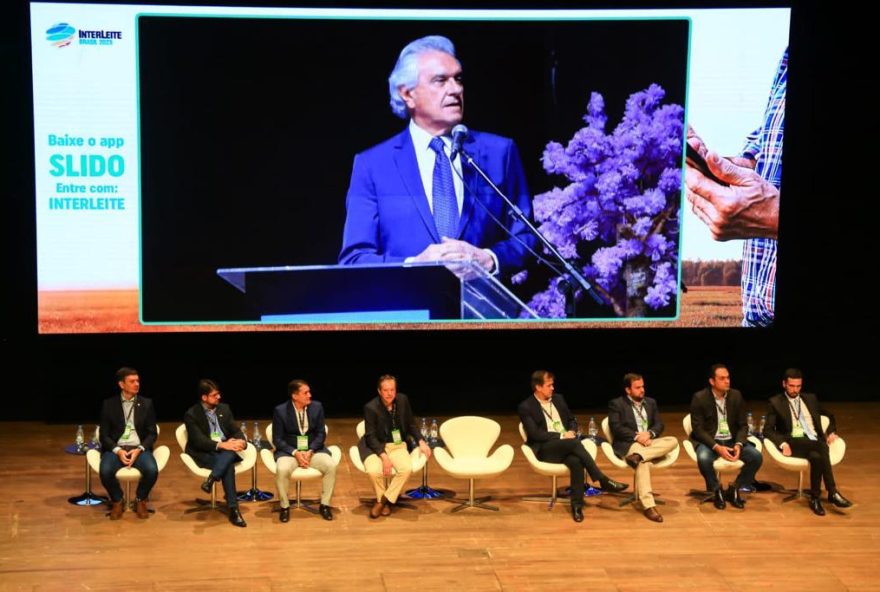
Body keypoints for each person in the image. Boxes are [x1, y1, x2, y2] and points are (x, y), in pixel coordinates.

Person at [338, 35, 536, 278]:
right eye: (440, 80)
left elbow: (528, 238)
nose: (455, 89)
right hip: (410, 309)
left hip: (483, 310)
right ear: (407, 94)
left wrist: (489, 259)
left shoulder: (498, 153)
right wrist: (414, 265)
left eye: (458, 79)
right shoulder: (373, 165)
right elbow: (354, 259)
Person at [685, 48, 787, 327]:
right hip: (756, 322)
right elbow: (765, 149)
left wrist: (776, 217)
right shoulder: (789, 56)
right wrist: (719, 167)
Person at [519, 370, 628, 523]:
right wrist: (562, 436)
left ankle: (577, 506)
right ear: (538, 387)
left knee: (576, 462)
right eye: (549, 385)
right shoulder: (526, 407)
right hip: (545, 449)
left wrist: (571, 430)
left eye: (553, 385)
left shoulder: (558, 399)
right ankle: (602, 479)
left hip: (567, 446)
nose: (553, 388)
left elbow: (572, 420)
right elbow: (535, 434)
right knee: (575, 443)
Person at [763, 368, 853, 516]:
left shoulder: (810, 399)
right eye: (791, 386)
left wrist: (831, 432)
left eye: (798, 386)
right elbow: (767, 430)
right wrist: (782, 444)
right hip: (793, 442)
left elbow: (829, 415)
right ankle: (832, 492)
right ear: (784, 384)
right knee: (821, 446)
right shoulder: (776, 402)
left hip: (812, 440)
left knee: (816, 457)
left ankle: (815, 498)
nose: (795, 390)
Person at [356, 375, 432, 519]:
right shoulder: (370, 408)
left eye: (392, 390)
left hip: (397, 445)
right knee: (373, 470)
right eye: (386, 390)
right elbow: (371, 437)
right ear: (379, 391)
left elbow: (411, 424)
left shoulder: (403, 400)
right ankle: (384, 501)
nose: (389, 393)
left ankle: (383, 501)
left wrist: (421, 441)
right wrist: (384, 457)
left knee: (406, 469)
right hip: (375, 447)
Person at [689, 364, 763, 510]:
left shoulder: (736, 396)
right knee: (703, 458)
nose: (727, 381)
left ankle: (735, 488)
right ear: (712, 381)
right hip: (711, 440)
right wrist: (716, 447)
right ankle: (716, 491)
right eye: (722, 378)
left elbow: (743, 425)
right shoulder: (700, 398)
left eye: (728, 377)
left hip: (732, 439)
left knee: (756, 457)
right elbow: (698, 430)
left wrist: (739, 444)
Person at [607, 373, 679, 522]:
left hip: (648, 443)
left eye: (643, 386)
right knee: (643, 463)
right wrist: (637, 437)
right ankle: (648, 506)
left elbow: (659, 424)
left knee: (673, 440)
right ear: (628, 390)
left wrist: (650, 433)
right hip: (629, 443)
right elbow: (616, 427)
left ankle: (639, 456)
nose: (642, 390)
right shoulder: (617, 404)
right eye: (638, 387)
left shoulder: (651, 403)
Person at [183, 379, 248, 527]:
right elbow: (198, 441)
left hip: (224, 451)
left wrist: (242, 442)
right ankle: (233, 509)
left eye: (218, 394)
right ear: (204, 398)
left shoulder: (224, 409)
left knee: (228, 455)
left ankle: (212, 479)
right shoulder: (192, 414)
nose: (219, 397)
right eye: (214, 395)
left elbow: (236, 431)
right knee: (228, 463)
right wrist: (222, 444)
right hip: (204, 452)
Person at [98, 367, 159, 520]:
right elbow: (103, 435)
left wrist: (139, 449)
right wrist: (117, 450)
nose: (137, 384)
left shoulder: (147, 403)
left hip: (139, 449)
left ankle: (140, 499)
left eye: (138, 381)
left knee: (152, 470)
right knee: (105, 471)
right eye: (132, 381)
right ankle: (118, 500)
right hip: (116, 449)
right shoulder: (109, 405)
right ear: (121, 384)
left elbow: (152, 433)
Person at [271, 379, 336, 522]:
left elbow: (321, 434)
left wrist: (311, 450)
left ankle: (325, 505)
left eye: (309, 392)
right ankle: (285, 506)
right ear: (295, 396)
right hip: (290, 452)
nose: (309, 395)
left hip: (313, 451)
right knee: (282, 470)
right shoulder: (280, 411)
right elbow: (278, 439)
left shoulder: (317, 407)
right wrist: (295, 452)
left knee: (330, 466)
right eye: (305, 393)